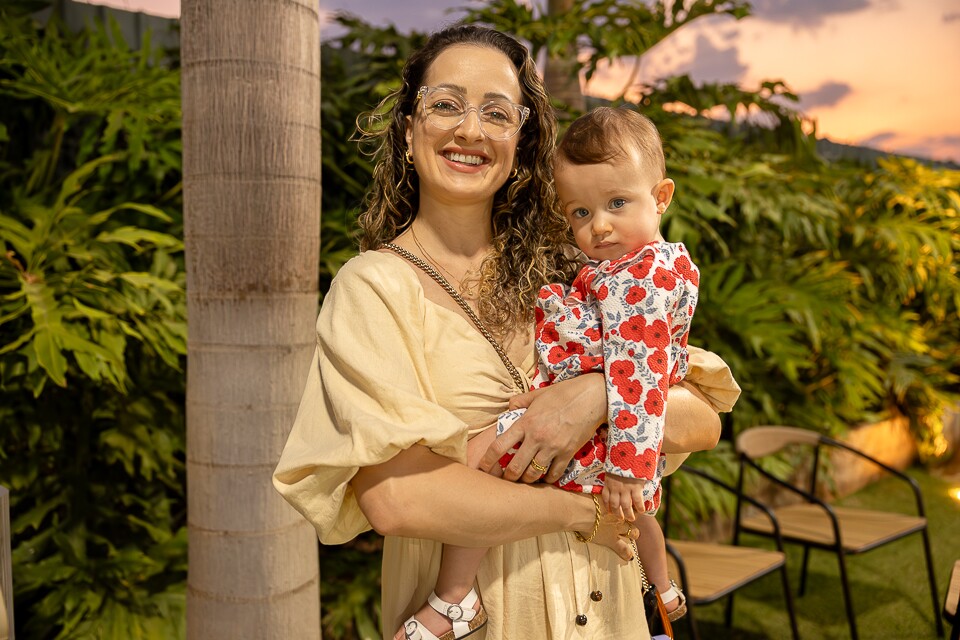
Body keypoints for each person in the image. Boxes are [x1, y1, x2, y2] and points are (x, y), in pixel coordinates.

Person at [273, 24, 741, 640]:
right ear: (410, 129)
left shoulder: (579, 268)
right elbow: (398, 500)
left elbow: (703, 418)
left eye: (496, 112)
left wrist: (594, 395)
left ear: (520, 141)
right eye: (445, 104)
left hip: (609, 614)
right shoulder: (374, 288)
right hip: (491, 621)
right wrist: (584, 509)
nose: (470, 129)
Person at [405, 107, 707, 638]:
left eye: (618, 203)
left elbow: (642, 372)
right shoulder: (622, 270)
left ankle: (454, 598)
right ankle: (661, 588)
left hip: (607, 447)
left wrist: (627, 468)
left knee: (485, 463)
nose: (601, 225)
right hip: (606, 445)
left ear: (661, 198)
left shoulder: (642, 280)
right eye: (581, 213)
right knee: (640, 521)